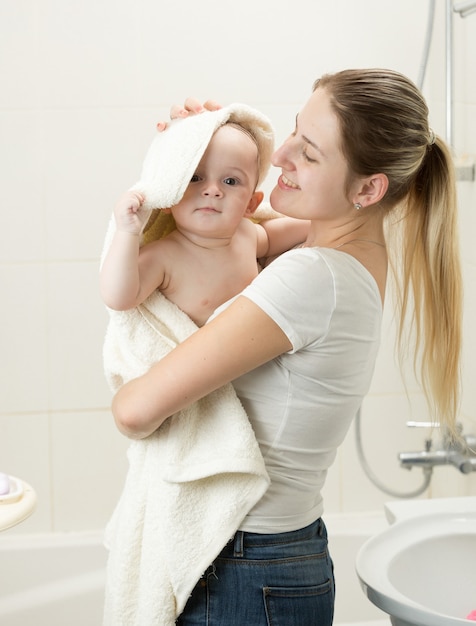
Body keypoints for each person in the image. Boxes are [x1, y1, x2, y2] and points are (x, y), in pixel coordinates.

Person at [110, 69, 462, 625]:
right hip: (269, 563)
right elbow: (231, 237)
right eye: (294, 132)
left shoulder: (312, 278)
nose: (281, 157)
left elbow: (133, 411)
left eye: (310, 153)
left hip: (244, 569)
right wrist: (205, 162)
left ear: (368, 189)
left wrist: (202, 191)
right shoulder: (346, 255)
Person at [100, 121, 310, 327]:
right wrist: (126, 232)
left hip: (254, 352)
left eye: (230, 181)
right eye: (195, 178)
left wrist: (315, 223)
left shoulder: (246, 234)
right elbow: (120, 299)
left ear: (251, 204)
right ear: (169, 195)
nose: (212, 190)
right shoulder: (164, 256)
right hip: (205, 358)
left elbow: (273, 235)